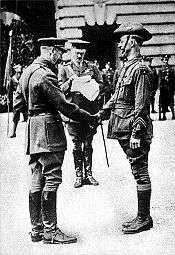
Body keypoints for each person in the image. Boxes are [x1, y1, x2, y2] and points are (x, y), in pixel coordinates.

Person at [13, 37, 99, 244]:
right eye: (60, 53)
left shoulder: (27, 72)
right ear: (51, 52)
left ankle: (37, 230)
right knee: (51, 176)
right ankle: (50, 232)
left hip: (33, 131)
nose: (61, 58)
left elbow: (17, 103)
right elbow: (64, 105)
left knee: (36, 176)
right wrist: (89, 118)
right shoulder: (46, 75)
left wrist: (31, 115)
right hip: (49, 130)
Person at [97, 23, 154, 234]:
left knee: (141, 172)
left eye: (122, 40)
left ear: (132, 41)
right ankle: (142, 216)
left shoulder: (141, 69)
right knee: (136, 170)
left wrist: (137, 132)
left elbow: (142, 105)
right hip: (123, 127)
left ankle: (144, 218)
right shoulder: (126, 68)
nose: (120, 44)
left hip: (133, 130)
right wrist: (102, 112)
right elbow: (117, 96)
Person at [58, 39, 103, 188]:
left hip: (89, 112)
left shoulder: (92, 67)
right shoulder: (64, 69)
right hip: (72, 113)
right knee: (77, 145)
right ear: (71, 52)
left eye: (82, 54)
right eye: (77, 53)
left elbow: (102, 85)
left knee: (88, 144)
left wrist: (93, 85)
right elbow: (60, 90)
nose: (79, 57)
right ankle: (79, 175)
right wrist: (71, 82)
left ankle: (89, 174)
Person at [9, 64, 28, 138]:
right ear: (16, 73)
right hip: (16, 100)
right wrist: (8, 99)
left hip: (24, 99)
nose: (20, 74)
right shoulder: (12, 79)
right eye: (19, 73)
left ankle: (28, 132)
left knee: (27, 116)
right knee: (15, 117)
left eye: (21, 73)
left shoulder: (23, 79)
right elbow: (10, 91)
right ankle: (13, 132)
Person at [158, 54, 175, 120]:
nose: (166, 61)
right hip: (163, 89)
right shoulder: (161, 69)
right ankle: (164, 115)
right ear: (163, 60)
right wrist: (159, 88)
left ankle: (173, 115)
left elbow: (174, 79)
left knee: (171, 102)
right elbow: (159, 80)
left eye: (167, 59)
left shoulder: (171, 69)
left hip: (170, 88)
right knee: (163, 103)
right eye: (165, 60)